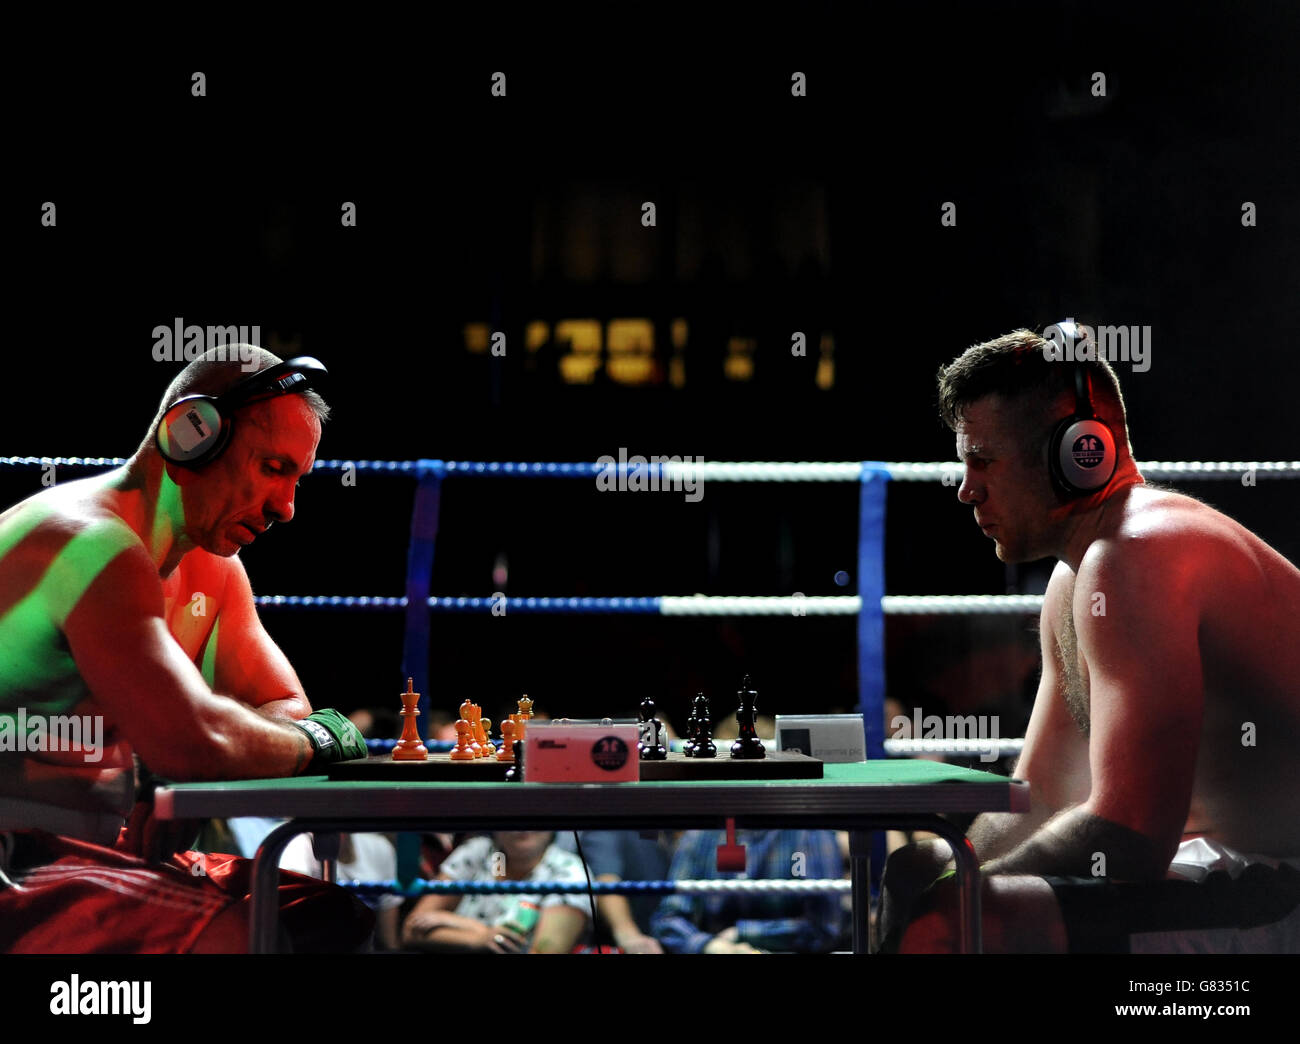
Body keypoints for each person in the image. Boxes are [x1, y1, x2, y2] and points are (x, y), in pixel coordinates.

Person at [880, 325, 1300, 953]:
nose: (966, 489)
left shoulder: (1138, 555)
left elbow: (1133, 834)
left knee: (954, 925)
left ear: (1079, 453)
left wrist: (962, 897)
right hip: (1230, 877)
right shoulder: (1077, 579)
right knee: (915, 873)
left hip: (1277, 891)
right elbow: (1044, 794)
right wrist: (953, 870)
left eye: (982, 460)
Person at [0, 346, 373, 952]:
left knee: (323, 914)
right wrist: (309, 742)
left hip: (91, 854)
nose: (286, 506)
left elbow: (282, 708)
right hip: (17, 852)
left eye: (295, 478)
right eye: (272, 466)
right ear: (191, 434)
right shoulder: (86, 540)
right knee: (235, 934)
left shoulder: (214, 569)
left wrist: (174, 768)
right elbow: (203, 741)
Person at [651, 829, 844, 953]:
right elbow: (668, 919)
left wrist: (741, 934)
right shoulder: (700, 836)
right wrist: (711, 946)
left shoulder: (808, 833)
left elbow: (824, 927)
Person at [401, 831, 591, 953]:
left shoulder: (567, 872)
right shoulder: (487, 854)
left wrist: (463, 926)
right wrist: (477, 939)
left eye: (535, 809)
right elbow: (411, 931)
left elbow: (542, 952)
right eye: (514, 810)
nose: (523, 825)